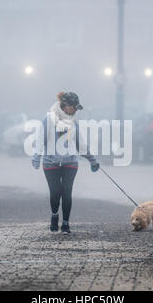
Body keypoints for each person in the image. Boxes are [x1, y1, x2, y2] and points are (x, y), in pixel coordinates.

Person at [31, 91, 100, 234]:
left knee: (67, 193)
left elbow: (80, 143)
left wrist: (92, 160)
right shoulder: (49, 119)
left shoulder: (73, 121)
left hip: (70, 162)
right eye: (74, 107)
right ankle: (54, 215)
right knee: (55, 193)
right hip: (51, 162)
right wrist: (36, 156)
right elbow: (40, 139)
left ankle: (66, 224)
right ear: (66, 106)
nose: (75, 110)